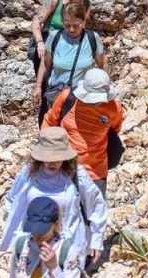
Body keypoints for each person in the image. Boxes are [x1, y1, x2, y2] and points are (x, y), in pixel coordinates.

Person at [0, 127, 108, 265]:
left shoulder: (76, 175)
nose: (53, 162)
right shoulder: (29, 173)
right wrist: (17, 238)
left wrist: (96, 239)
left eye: (58, 157)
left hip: (68, 247)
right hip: (33, 245)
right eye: (48, 157)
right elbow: (12, 201)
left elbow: (96, 203)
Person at [43, 68, 123, 198]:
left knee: (93, 216)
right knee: (65, 214)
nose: (97, 103)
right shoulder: (68, 98)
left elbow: (114, 132)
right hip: (65, 168)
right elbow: (49, 122)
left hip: (96, 173)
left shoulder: (114, 108)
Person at [34, 2, 104, 126]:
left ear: (83, 22)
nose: (71, 29)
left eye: (76, 25)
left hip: (82, 97)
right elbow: (45, 64)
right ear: (62, 22)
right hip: (57, 97)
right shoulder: (54, 37)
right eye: (67, 25)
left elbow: (102, 66)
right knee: (57, 135)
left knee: (77, 136)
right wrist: (38, 86)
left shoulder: (92, 38)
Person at [29, 0, 93, 75]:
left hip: (69, 51)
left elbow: (82, 29)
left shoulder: (86, 5)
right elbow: (36, 22)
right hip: (49, 49)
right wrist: (40, 42)